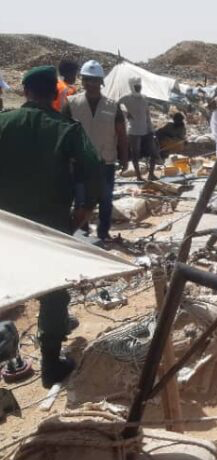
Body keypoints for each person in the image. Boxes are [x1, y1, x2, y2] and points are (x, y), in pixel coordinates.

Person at [0, 66, 101, 388]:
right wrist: (83, 210)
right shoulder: (65, 128)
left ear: (26, 91)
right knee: (54, 291)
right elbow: (93, 169)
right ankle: (50, 363)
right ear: (56, 94)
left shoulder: (4, 122)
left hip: (6, 223)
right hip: (51, 222)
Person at [63, 59, 128, 242]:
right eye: (87, 79)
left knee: (105, 200)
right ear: (82, 81)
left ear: (101, 82)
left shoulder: (112, 106)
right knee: (81, 201)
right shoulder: (71, 103)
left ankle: (103, 233)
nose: (91, 83)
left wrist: (124, 158)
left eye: (95, 80)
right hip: (80, 163)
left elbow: (121, 134)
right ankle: (82, 235)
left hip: (105, 162)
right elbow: (63, 132)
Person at [119, 77, 160, 180]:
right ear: (131, 86)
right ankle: (138, 176)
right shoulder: (126, 98)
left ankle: (151, 174)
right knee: (135, 155)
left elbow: (147, 115)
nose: (138, 88)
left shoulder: (144, 98)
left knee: (153, 153)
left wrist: (151, 129)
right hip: (133, 131)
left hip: (146, 130)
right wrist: (125, 113)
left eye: (139, 86)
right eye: (136, 86)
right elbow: (115, 105)